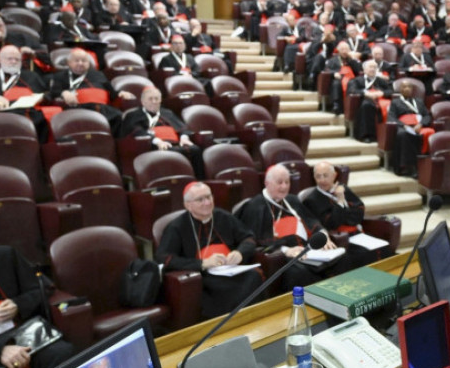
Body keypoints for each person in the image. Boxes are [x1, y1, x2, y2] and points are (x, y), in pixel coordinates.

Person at [234, 164, 350, 292]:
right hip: (282, 257)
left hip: (309, 251)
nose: (284, 186)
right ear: (267, 183)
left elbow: (311, 221)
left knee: (342, 259)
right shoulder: (255, 207)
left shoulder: (292, 200)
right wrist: (285, 250)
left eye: (287, 182)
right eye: (279, 182)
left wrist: (323, 235)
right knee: (300, 273)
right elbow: (256, 242)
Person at [156, 182, 263, 320]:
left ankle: (253, 320)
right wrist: (202, 263)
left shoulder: (223, 216)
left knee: (253, 277)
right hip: (203, 277)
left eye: (208, 197)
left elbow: (249, 238)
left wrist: (239, 253)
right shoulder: (177, 227)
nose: (207, 202)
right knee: (221, 289)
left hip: (231, 269)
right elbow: (165, 258)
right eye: (200, 200)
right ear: (188, 205)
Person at [0, 246, 76, 368]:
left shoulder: (5, 257)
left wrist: (18, 304)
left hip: (21, 336)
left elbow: (44, 288)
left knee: (60, 353)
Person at [302, 162, 386, 266]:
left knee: (384, 248)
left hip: (356, 234)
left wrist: (344, 216)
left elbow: (359, 212)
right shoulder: (312, 199)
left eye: (325, 175)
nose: (322, 180)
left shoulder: (342, 188)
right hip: (339, 239)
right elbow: (332, 223)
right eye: (318, 176)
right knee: (364, 255)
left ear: (334, 175)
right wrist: (341, 201)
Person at [118, 86, 204, 178]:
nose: (154, 102)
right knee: (169, 152)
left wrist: (184, 137)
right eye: (150, 99)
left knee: (195, 150)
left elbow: (182, 128)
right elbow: (137, 132)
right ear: (142, 101)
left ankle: (199, 180)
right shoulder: (133, 115)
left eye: (156, 98)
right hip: (152, 145)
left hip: (177, 143)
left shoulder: (168, 113)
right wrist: (157, 141)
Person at [386, 80, 431, 177]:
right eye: (404, 87)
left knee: (430, 132)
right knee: (403, 134)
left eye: (409, 87)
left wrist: (421, 124)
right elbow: (391, 117)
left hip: (418, 126)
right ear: (400, 90)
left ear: (412, 90)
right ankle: (409, 167)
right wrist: (404, 125)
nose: (407, 89)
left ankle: (426, 165)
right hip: (404, 126)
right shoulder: (395, 102)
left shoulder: (419, 101)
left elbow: (427, 116)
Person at [347, 59, 391, 143]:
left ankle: (385, 136)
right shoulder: (357, 80)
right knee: (366, 106)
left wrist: (382, 93)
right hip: (365, 100)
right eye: (370, 67)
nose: (372, 69)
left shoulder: (381, 81)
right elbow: (352, 90)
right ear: (364, 70)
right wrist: (365, 93)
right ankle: (367, 135)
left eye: (374, 67)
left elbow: (390, 91)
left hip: (381, 101)